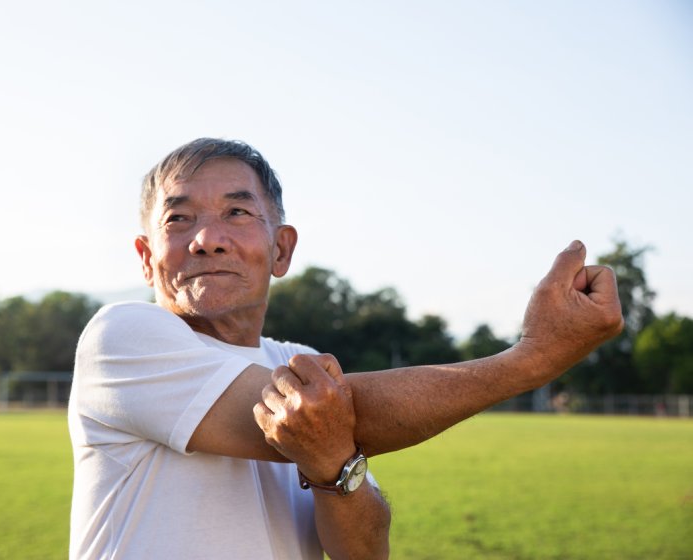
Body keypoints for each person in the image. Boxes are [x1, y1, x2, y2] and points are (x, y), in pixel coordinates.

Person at [68, 138, 623, 559]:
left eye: (237, 212)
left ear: (281, 249)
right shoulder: (122, 336)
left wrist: (335, 465)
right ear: (146, 257)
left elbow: (364, 551)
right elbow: (327, 413)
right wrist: (532, 360)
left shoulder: (298, 359)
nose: (206, 237)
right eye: (178, 218)